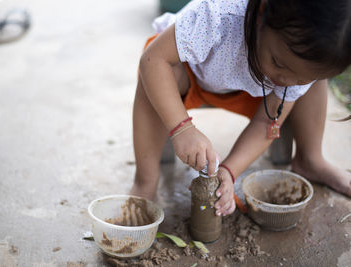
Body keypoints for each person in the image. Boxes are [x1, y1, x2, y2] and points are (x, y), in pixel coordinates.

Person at [130, 0, 351, 217]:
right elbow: (153, 59)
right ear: (262, 12)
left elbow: (266, 122)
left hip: (256, 92)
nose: (286, 81)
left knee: (310, 84)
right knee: (153, 78)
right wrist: (182, 129)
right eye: (279, 62)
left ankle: (310, 158)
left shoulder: (293, 75)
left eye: (302, 78)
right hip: (193, 73)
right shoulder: (218, 14)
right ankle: (145, 182)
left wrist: (229, 171)